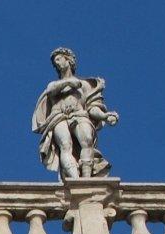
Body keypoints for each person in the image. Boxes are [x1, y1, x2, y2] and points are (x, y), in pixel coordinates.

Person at [32, 47, 118, 179]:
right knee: (65, 145)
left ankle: (86, 178)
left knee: (87, 141)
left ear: (69, 60)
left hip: (80, 115)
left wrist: (104, 116)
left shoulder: (85, 85)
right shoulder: (54, 84)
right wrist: (69, 82)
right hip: (59, 117)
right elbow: (51, 91)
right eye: (55, 62)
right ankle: (75, 179)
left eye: (59, 60)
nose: (57, 64)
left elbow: (92, 108)